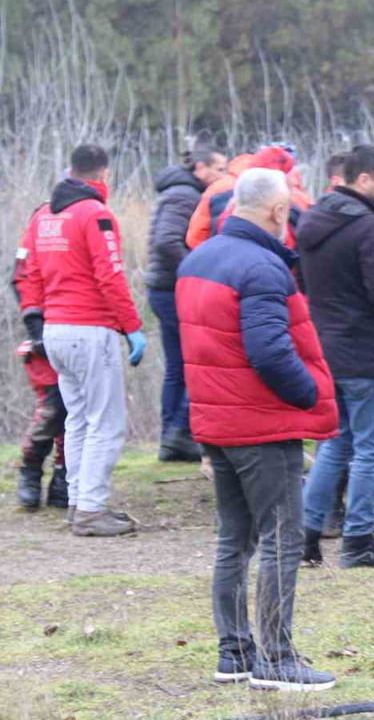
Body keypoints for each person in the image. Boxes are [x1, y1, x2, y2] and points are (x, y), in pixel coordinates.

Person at [177, 167, 338, 691]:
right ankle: (276, 658)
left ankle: (235, 653)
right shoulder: (263, 268)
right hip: (260, 425)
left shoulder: (197, 260)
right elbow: (269, 351)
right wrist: (308, 393)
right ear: (276, 211)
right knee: (279, 540)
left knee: (233, 541)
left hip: (215, 420)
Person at [17, 144, 146, 536]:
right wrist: (132, 326)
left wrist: (37, 327)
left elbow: (31, 276)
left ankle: (77, 501)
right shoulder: (96, 214)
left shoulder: (44, 216)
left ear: (69, 169)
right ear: (103, 175)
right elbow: (110, 276)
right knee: (105, 422)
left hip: (55, 331)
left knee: (76, 421)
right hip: (90, 330)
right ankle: (91, 509)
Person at [297, 145, 374, 570]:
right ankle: (359, 540)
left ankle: (306, 535)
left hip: (328, 347)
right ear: (363, 179)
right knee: (372, 450)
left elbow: (303, 282)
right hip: (366, 349)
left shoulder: (313, 221)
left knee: (336, 442)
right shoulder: (367, 227)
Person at [145, 144, 227, 463]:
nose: (222, 177)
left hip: (163, 287)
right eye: (219, 169)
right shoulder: (184, 195)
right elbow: (167, 241)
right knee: (195, 361)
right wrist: (197, 271)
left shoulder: (177, 192)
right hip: (173, 289)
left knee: (178, 366)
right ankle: (179, 431)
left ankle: (171, 439)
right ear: (201, 169)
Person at [12, 222, 67, 511]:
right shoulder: (41, 226)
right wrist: (35, 327)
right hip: (46, 329)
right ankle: (30, 470)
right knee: (53, 409)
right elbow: (22, 279)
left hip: (78, 325)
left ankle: (64, 478)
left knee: (77, 412)